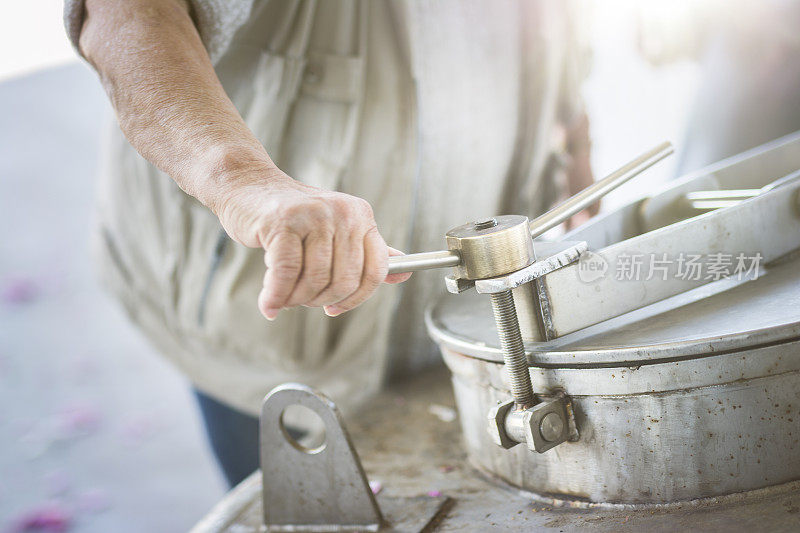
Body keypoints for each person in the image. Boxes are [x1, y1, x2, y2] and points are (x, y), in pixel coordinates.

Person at [64, 0, 594, 487]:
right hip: (268, 335)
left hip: (464, 336)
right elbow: (127, 15)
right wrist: (245, 181)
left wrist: (574, 138)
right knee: (302, 507)